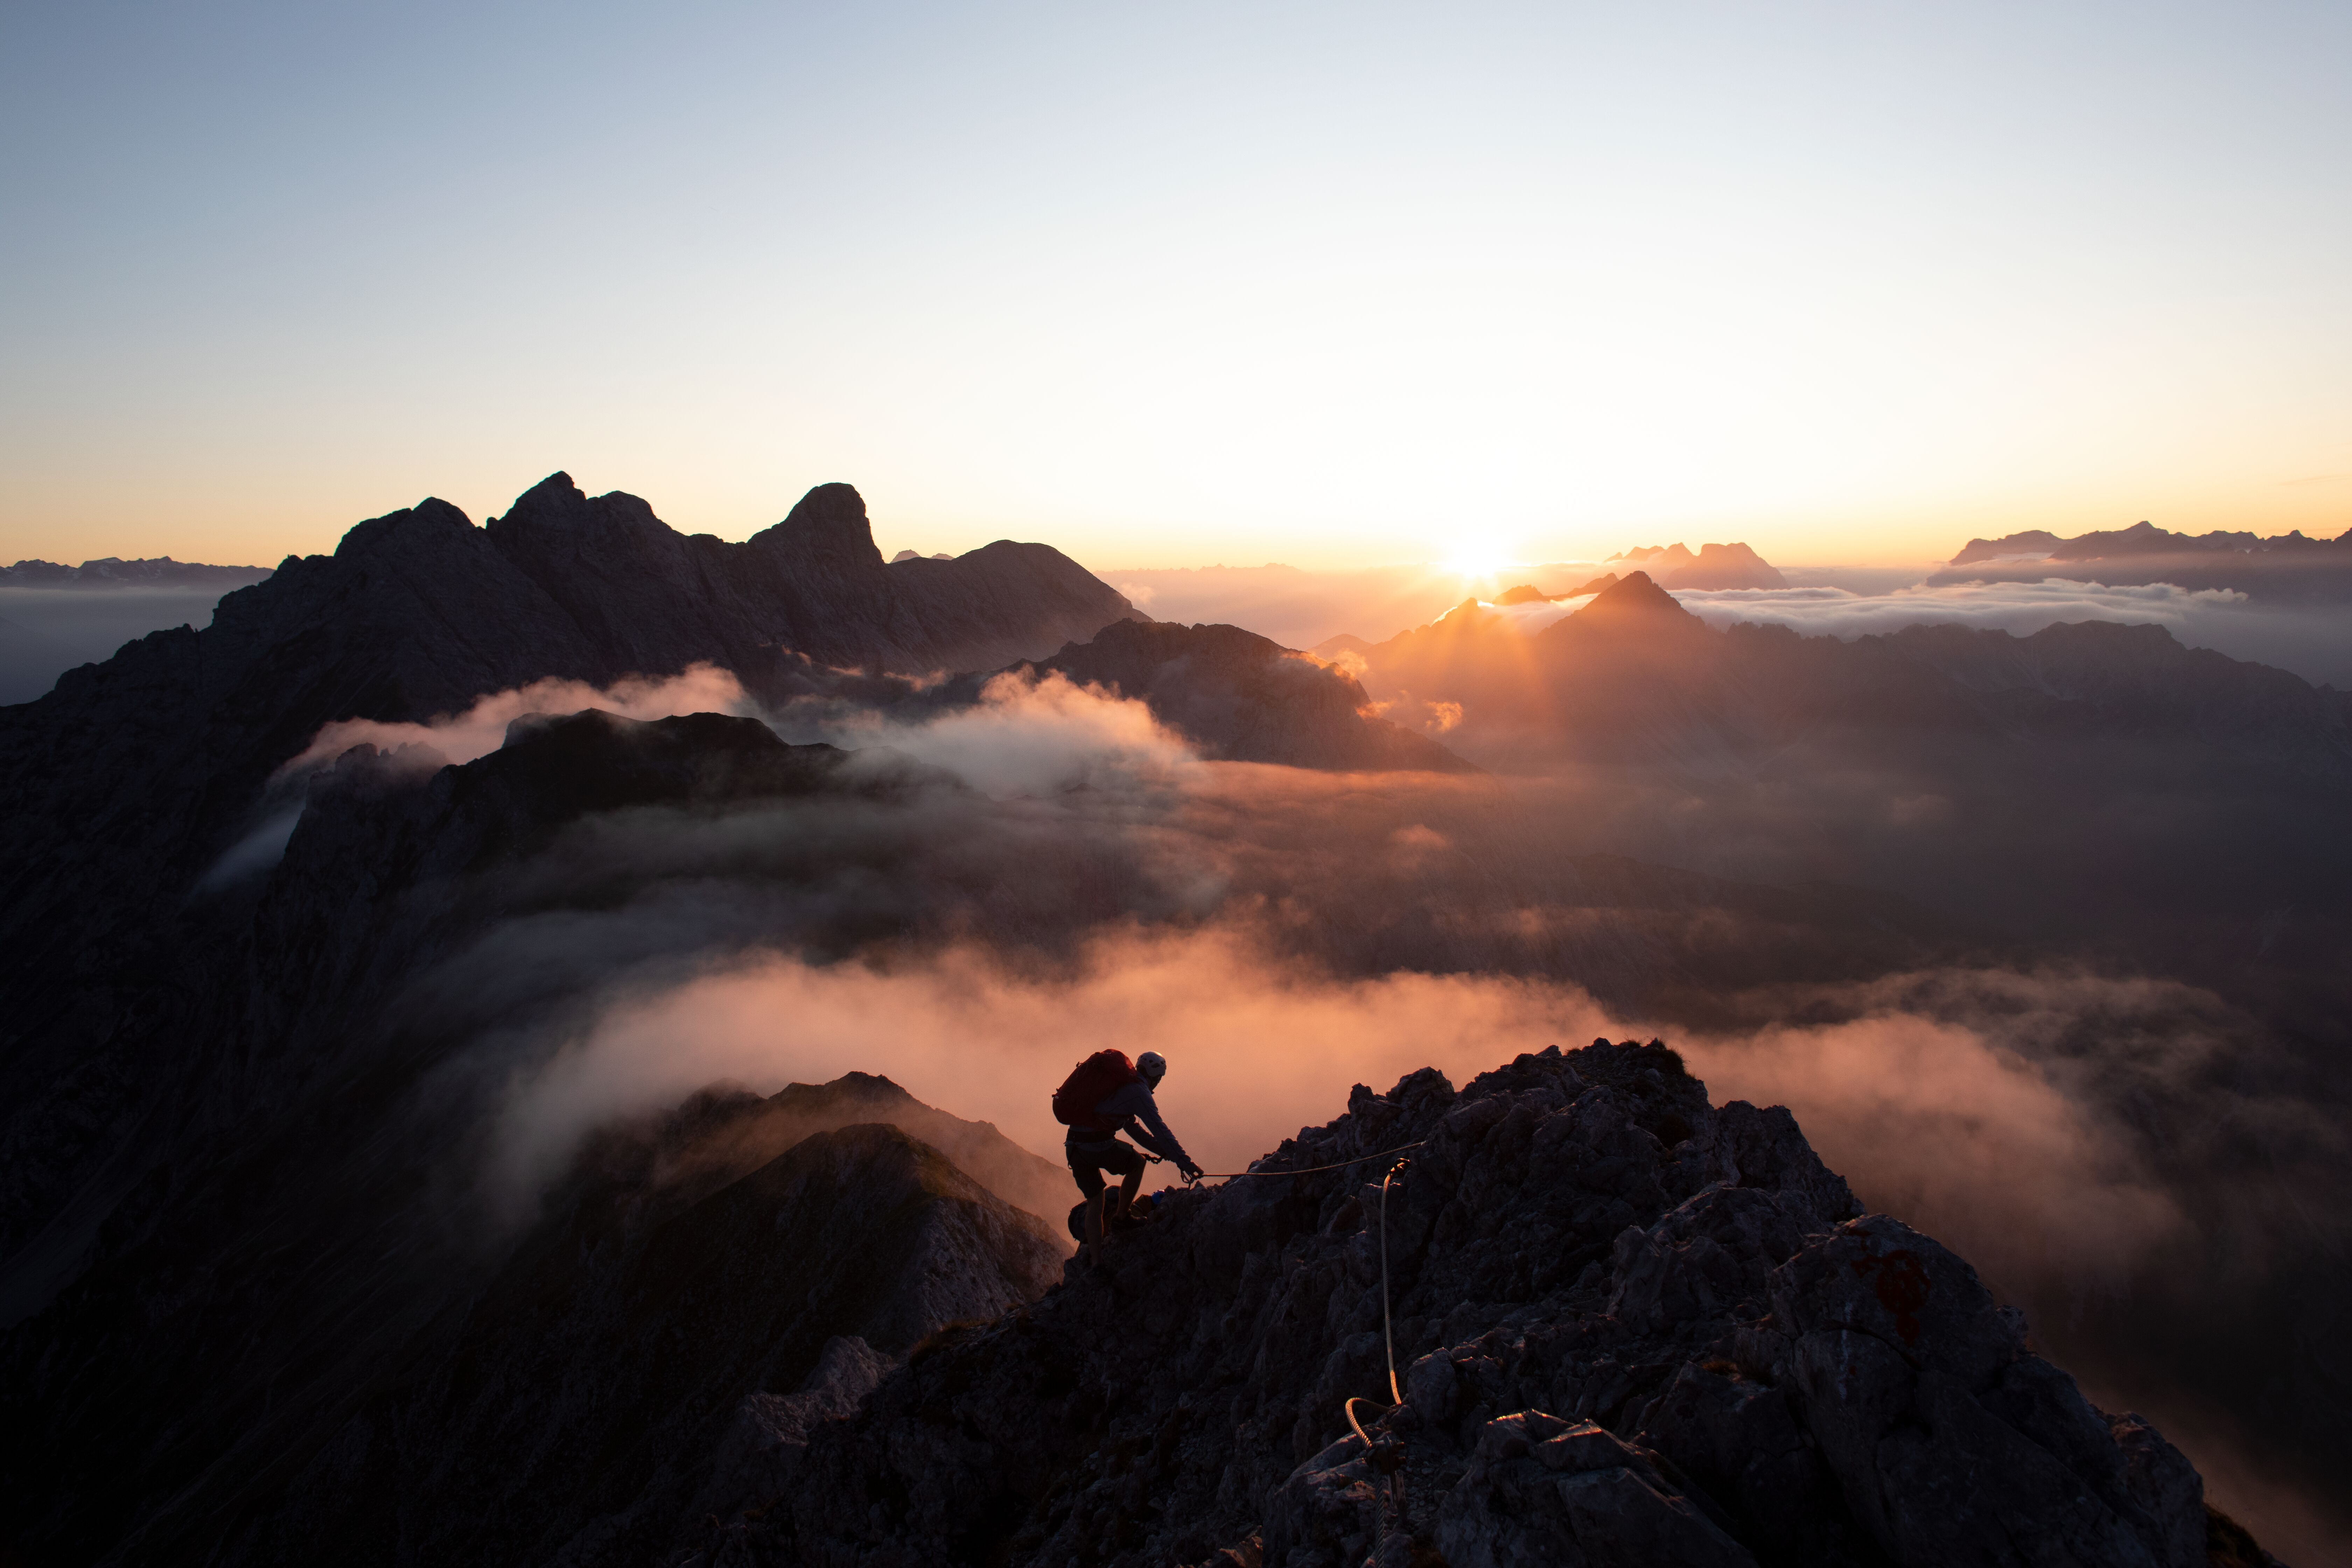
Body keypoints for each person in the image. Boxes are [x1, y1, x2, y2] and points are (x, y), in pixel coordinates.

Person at [1065, 1050, 1202, 1264]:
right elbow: (1160, 1130)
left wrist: (1165, 1153)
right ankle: (1121, 1219)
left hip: (1074, 1145)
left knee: (1096, 1203)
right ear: (1155, 1077)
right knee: (1137, 1163)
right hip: (1096, 1144)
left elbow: (1132, 1129)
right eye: (1159, 1080)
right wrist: (1184, 1162)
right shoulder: (1139, 1093)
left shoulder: (1122, 1084)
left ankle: (1097, 1264)